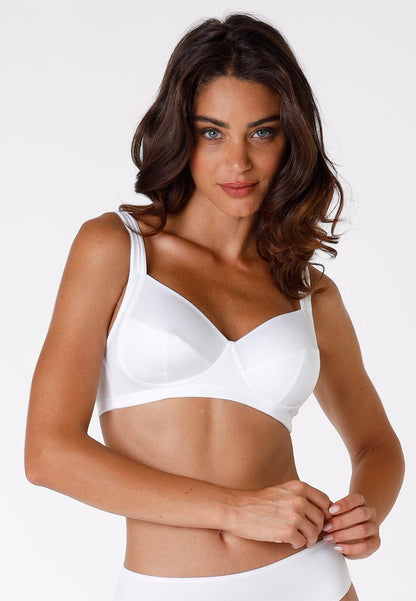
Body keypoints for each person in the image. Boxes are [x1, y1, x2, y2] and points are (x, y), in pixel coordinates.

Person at [24, 12, 405, 601]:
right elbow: (48, 454)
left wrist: (365, 511)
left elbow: (377, 445)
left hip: (312, 582)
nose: (238, 163)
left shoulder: (308, 291)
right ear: (181, 134)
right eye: (212, 133)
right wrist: (235, 509)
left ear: (291, 138)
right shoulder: (116, 250)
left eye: (262, 133)